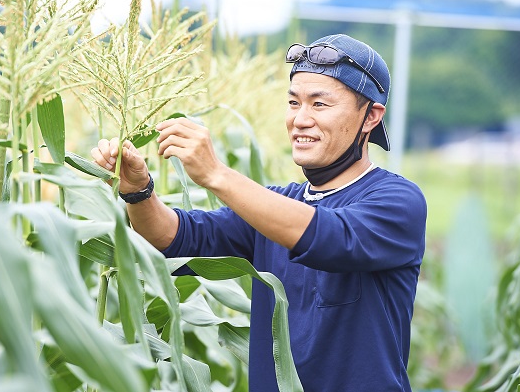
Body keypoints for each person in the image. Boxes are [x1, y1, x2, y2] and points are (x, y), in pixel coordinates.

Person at [91, 33, 427, 391]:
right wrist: (138, 190)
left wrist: (218, 175)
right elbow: (171, 239)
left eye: (319, 105)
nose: (300, 119)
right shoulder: (273, 204)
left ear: (371, 116)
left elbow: (329, 236)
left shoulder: (397, 201)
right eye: (293, 102)